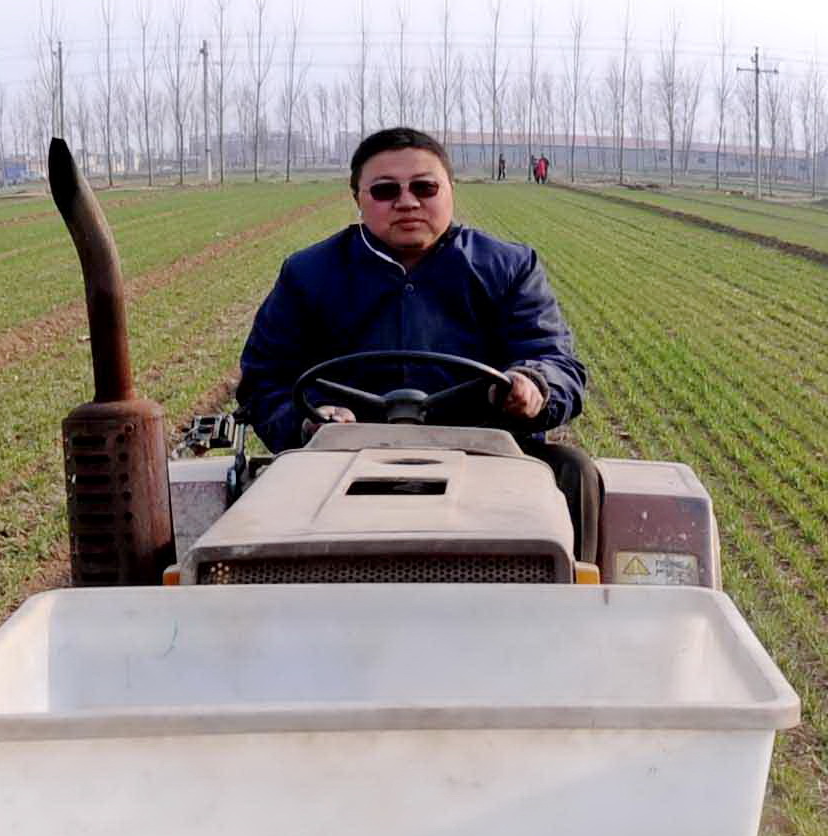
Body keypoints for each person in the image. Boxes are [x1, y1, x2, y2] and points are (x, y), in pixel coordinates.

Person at [238, 126, 597, 541]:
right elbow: (265, 380)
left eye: (424, 187)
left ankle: (566, 601)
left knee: (575, 473)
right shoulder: (308, 274)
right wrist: (307, 422)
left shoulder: (509, 267)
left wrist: (533, 385)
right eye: (385, 190)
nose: (407, 202)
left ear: (450, 191)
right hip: (341, 457)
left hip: (487, 452)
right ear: (358, 199)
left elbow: (556, 361)